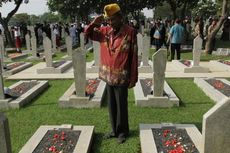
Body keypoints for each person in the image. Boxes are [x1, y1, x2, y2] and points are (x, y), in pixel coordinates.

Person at [84, 3, 138, 144]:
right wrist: (93, 23)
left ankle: (122, 132)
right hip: (108, 75)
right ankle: (114, 130)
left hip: (121, 76)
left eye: (112, 19)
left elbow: (133, 56)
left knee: (121, 105)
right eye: (108, 20)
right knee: (111, 105)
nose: (110, 22)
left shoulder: (130, 32)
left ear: (120, 18)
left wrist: (133, 77)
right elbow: (87, 34)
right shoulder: (104, 31)